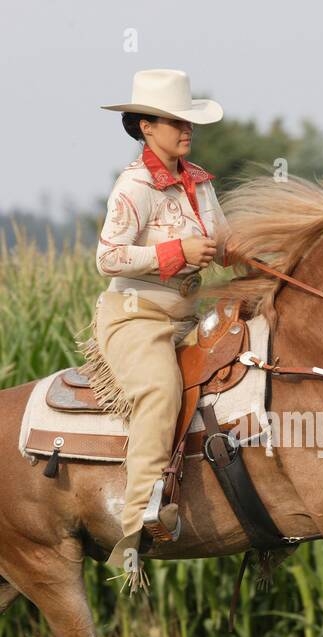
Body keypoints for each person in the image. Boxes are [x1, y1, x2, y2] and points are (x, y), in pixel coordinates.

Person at [91, 69, 229, 574]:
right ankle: (138, 520)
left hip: (190, 314)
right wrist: (179, 251)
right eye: (174, 120)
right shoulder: (134, 187)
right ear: (146, 126)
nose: (185, 128)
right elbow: (107, 258)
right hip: (136, 317)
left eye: (187, 120)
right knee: (160, 390)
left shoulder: (200, 183)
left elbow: (225, 240)